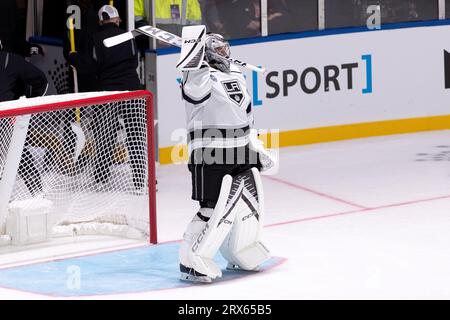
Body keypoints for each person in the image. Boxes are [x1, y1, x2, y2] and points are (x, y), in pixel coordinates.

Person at [178, 33, 272, 283]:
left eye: (225, 48)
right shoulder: (198, 77)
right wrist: (192, 57)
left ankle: (240, 249)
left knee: (247, 202)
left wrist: (256, 144)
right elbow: (195, 94)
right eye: (218, 50)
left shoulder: (235, 75)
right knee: (211, 208)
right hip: (211, 154)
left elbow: (246, 113)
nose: (225, 53)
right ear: (206, 54)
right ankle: (190, 260)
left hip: (241, 148)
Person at [70, 5, 145, 190]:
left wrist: (73, 57)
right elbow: (135, 61)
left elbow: (89, 66)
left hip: (108, 93)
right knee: (136, 136)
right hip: (132, 91)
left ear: (100, 21)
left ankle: (102, 179)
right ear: (117, 20)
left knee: (105, 136)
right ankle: (140, 180)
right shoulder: (128, 37)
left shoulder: (95, 38)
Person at [0, 39, 48, 197]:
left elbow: (40, 80)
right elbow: (41, 80)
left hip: (6, 117)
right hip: (7, 116)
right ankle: (38, 193)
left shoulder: (11, 59)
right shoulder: (11, 59)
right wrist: (31, 101)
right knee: (20, 154)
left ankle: (38, 194)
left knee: (20, 154)